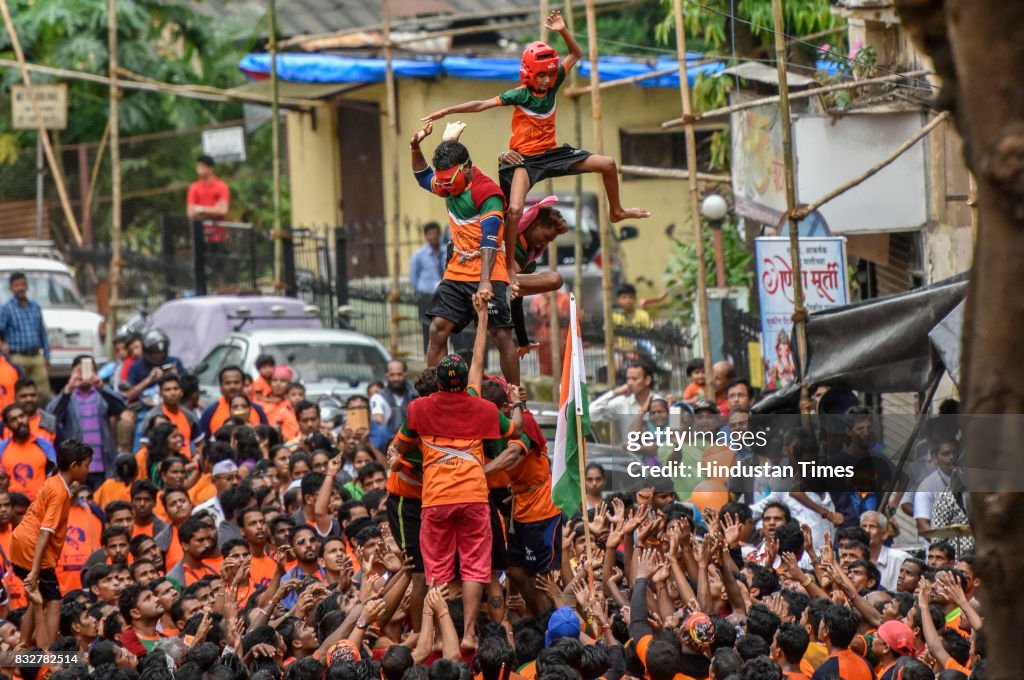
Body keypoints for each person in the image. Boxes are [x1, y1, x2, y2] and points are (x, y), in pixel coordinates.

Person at [422, 10, 649, 252]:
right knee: (515, 209)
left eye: (550, 74)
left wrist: (562, 29)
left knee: (608, 164)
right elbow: (481, 105)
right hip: (525, 161)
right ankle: (509, 264)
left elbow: (576, 54)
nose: (546, 80)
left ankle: (617, 211)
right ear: (530, 73)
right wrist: (447, 111)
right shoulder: (519, 94)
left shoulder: (553, 84)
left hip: (551, 153)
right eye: (541, 75)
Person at [393, 293, 523, 650]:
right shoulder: (481, 408)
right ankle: (467, 634)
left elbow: (402, 446)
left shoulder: (420, 409)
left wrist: (396, 454)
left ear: (437, 380)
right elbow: (512, 430)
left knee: (435, 568)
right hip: (474, 497)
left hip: (435, 500)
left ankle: (436, 634)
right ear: (466, 381)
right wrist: (481, 318)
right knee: (475, 568)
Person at [409, 121, 520, 386]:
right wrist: (415, 146)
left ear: (467, 168)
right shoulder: (448, 182)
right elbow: (423, 176)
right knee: (437, 329)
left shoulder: (487, 192)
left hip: (489, 270)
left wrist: (484, 283)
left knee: (501, 334)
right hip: (457, 269)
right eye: (443, 180)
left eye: (449, 180)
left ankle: (516, 397)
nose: (444, 186)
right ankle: (438, 393)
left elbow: (490, 240)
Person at [10, 438, 94, 649]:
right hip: (33, 547)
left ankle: (23, 643)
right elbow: (44, 533)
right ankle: (48, 654)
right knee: (54, 600)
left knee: (37, 597)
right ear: (74, 466)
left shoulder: (52, 481)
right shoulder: (59, 492)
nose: (88, 470)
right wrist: (35, 570)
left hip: (20, 541)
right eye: (86, 465)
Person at [47, 355, 128, 488]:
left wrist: (102, 387)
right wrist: (68, 388)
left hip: (103, 465)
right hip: (76, 465)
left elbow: (121, 406)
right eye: (79, 370)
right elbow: (51, 417)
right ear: (72, 372)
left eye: (89, 370)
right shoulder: (68, 397)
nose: (84, 374)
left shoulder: (102, 395)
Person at [0, 272, 51, 401]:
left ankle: (39, 420)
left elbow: (42, 333)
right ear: (11, 288)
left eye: (22, 284)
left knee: (43, 394)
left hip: (35, 356)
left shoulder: (35, 307)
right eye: (16, 285)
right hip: (16, 357)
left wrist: (46, 355)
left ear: (27, 286)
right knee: (19, 393)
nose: (20, 288)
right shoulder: (6, 309)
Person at [0, 402, 57, 500]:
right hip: (12, 508)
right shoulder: (2, 448)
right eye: (14, 419)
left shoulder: (44, 445)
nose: (20, 421)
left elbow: (54, 476)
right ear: (7, 426)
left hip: (40, 504)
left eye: (22, 416)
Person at [588, 361, 654, 444]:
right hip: (629, 455)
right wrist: (614, 392)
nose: (629, 383)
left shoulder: (659, 403)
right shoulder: (622, 403)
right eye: (628, 379)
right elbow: (591, 414)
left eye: (634, 379)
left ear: (647, 380)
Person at [199, 366, 268, 438]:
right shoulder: (210, 412)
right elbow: (202, 443)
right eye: (228, 383)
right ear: (221, 386)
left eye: (236, 382)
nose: (232, 386)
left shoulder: (257, 410)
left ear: (243, 384)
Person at [410, 222, 446, 352]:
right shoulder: (419, 255)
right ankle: (428, 353)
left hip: (444, 294)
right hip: (427, 296)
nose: (434, 237)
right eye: (431, 234)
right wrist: (419, 293)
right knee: (428, 327)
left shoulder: (446, 250)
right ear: (426, 236)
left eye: (436, 233)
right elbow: (413, 277)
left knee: (446, 326)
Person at [125, 329, 186, 397]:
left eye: (162, 352)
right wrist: (149, 379)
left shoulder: (175, 362)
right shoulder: (136, 367)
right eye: (155, 353)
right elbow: (128, 395)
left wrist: (176, 377)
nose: (159, 355)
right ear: (147, 352)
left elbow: (187, 389)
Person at [186, 154, 230, 245]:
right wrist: (214, 209)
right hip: (199, 235)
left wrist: (200, 209)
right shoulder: (194, 187)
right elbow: (190, 212)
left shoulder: (221, 187)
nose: (199, 169)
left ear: (210, 168)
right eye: (198, 166)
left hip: (218, 236)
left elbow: (223, 210)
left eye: (202, 166)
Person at [370, 360, 419, 433]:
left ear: (406, 375)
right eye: (392, 375)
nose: (396, 378)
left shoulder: (415, 395)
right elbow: (378, 422)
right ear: (386, 376)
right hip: (388, 440)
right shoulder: (378, 398)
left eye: (399, 374)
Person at [255, 365, 300, 440]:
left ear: (289, 383)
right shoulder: (260, 403)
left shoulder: (293, 403)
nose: (278, 384)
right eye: (274, 380)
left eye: (282, 381)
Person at [9, 378, 56, 443]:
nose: (29, 399)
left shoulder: (50, 422)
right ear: (15, 398)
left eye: (33, 395)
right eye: (23, 396)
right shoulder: (6, 423)